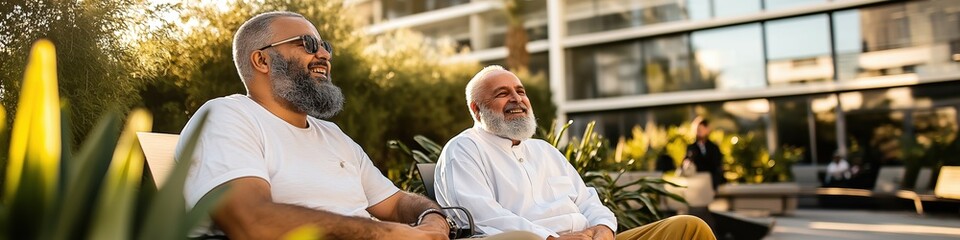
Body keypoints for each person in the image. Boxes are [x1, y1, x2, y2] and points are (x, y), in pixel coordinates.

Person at [176, 12, 539, 240]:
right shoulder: (228, 118)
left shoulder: (332, 136)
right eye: (307, 44)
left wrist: (431, 218)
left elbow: (397, 202)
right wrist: (385, 234)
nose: (325, 54)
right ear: (262, 60)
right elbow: (251, 221)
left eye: (325, 45)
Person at [434, 65, 716, 240]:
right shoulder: (464, 149)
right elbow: (482, 217)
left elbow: (587, 200)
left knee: (688, 227)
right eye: (502, 93)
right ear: (476, 109)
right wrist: (551, 238)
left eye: (520, 91)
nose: (517, 99)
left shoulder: (545, 151)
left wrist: (604, 229)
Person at [683, 119, 726, 191]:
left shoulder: (714, 147)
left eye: (701, 129)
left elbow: (718, 165)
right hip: (697, 184)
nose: (699, 132)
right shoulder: (691, 148)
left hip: (712, 183)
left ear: (707, 130)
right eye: (698, 129)